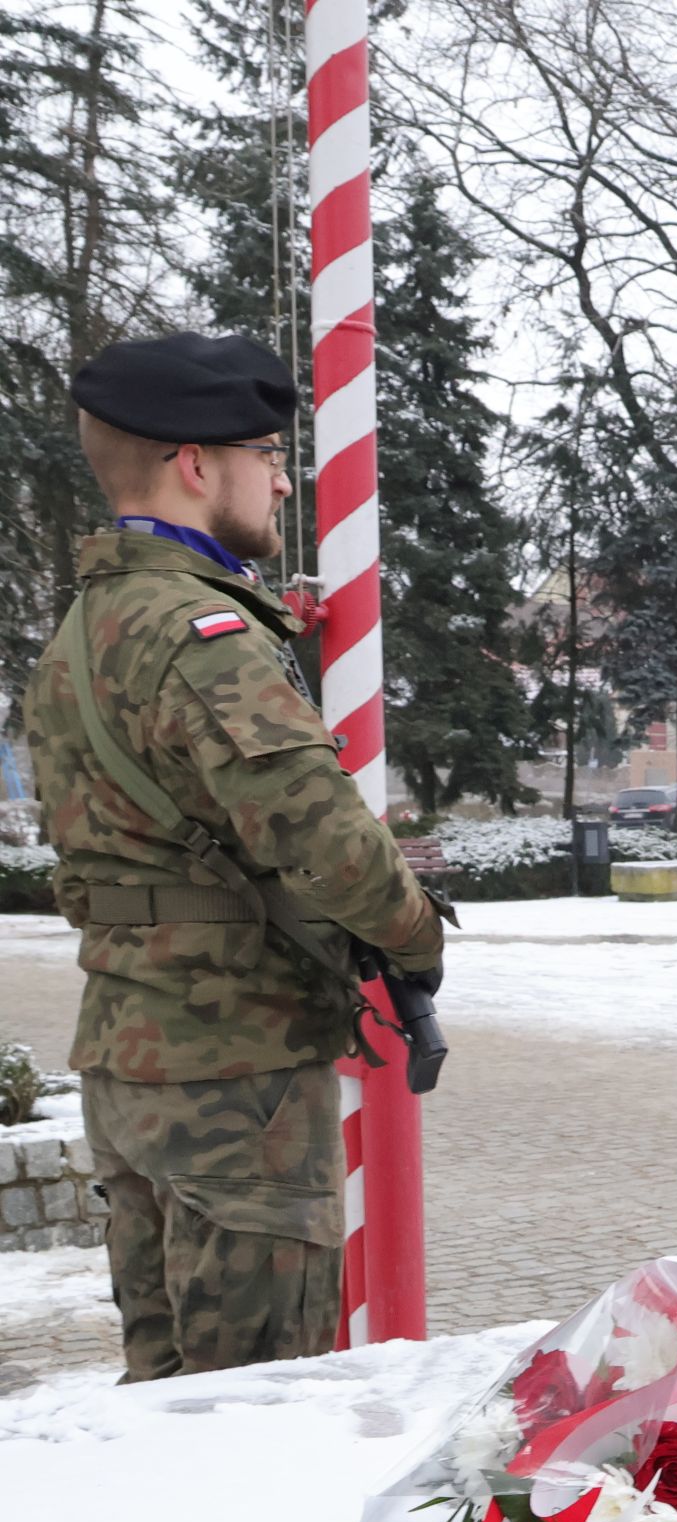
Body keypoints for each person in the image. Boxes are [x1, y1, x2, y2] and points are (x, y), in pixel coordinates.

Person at [25, 331, 445, 1382]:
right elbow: (328, 841)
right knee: (255, 1409)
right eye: (263, 452)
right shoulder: (200, 632)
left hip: (134, 1058)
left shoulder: (86, 626)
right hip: (233, 1078)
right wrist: (417, 936)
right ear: (195, 465)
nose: (280, 479)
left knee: (165, 1401)